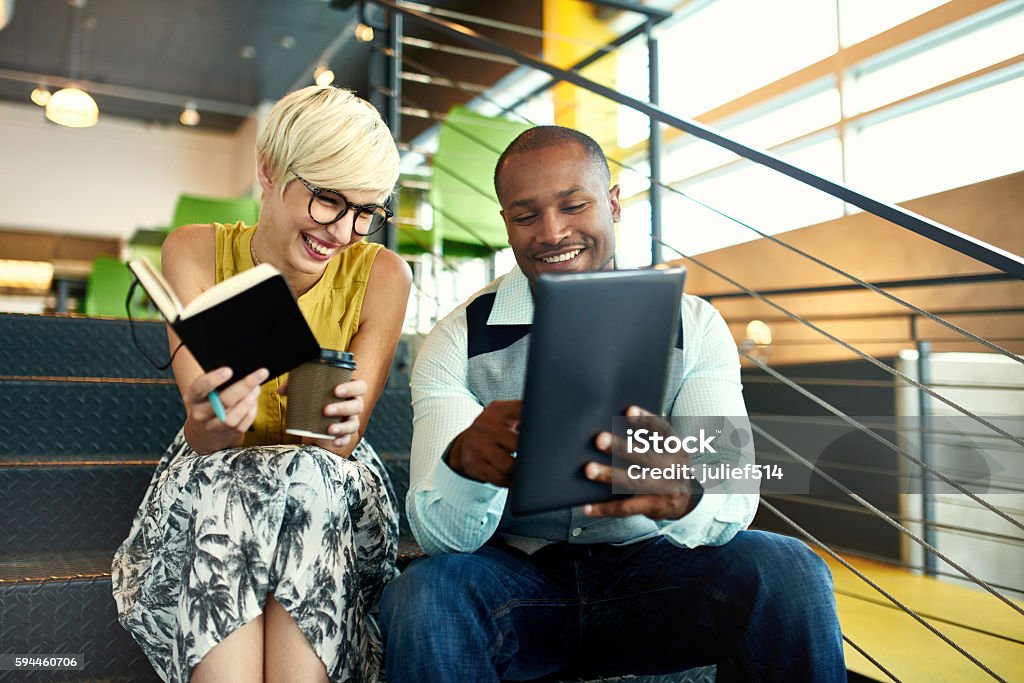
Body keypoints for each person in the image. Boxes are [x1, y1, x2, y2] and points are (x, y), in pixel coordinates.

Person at [379, 126, 845, 681]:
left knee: (790, 569)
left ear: (614, 204)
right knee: (425, 591)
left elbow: (734, 493)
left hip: (655, 574)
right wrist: (464, 469)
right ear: (506, 223)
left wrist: (685, 497)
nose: (552, 233)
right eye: (526, 217)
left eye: (573, 205)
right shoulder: (456, 340)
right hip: (517, 582)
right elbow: (440, 538)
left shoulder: (693, 326)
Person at [112, 85, 411, 683]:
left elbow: (339, 448)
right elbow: (207, 438)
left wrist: (341, 419)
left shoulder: (382, 274)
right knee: (237, 482)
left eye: (366, 212)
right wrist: (210, 416)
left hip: (327, 482)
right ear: (269, 170)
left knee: (307, 476)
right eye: (329, 200)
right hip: (218, 472)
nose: (345, 232)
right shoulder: (195, 249)